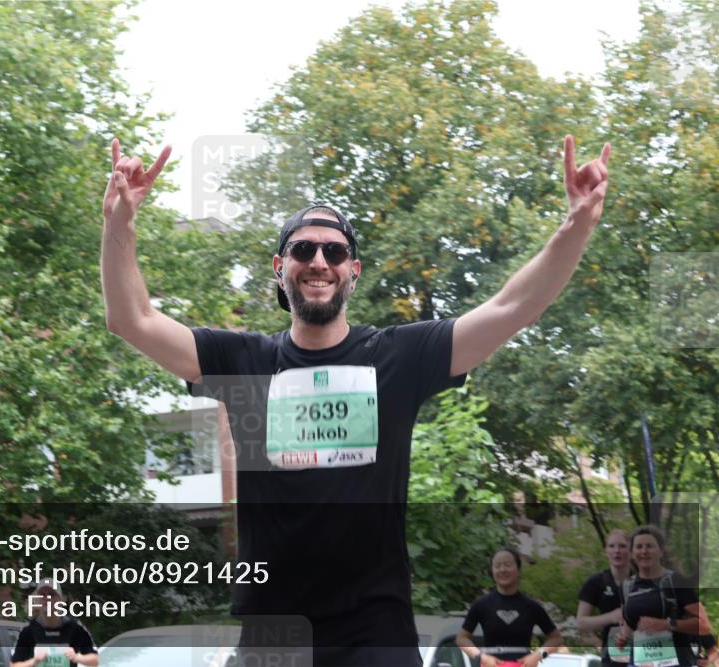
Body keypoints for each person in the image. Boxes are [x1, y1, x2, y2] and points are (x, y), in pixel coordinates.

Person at [100, 134, 610, 667]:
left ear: (353, 270)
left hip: (375, 632)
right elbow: (131, 320)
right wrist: (119, 222)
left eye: (335, 251)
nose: (319, 260)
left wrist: (577, 223)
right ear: (280, 266)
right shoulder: (241, 361)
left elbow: (512, 308)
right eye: (303, 249)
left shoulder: (398, 357)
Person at [614, 525, 713, 667]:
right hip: (640, 662)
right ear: (632, 553)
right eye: (639, 546)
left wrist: (666, 624)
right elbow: (630, 624)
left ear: (661, 551)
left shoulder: (675, 581)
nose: (644, 551)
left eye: (650, 546)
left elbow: (704, 626)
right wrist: (622, 637)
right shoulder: (626, 586)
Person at [456, 546, 563, 667]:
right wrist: (482, 657)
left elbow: (556, 638)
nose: (502, 570)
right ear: (492, 571)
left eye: (507, 565)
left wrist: (537, 655)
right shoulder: (481, 605)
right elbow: (462, 638)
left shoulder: (532, 606)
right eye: (497, 566)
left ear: (518, 570)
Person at [11, 579, 99, 667]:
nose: (47, 598)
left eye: (51, 594)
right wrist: (34, 661)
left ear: (60, 600)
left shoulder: (75, 627)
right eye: (42, 595)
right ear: (37, 600)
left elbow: (95, 660)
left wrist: (76, 657)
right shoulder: (27, 630)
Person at [577, 528, 631, 663]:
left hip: (643, 651)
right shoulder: (596, 582)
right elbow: (581, 622)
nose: (617, 550)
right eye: (612, 546)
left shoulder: (643, 581)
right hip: (613, 654)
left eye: (622, 546)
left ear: (631, 550)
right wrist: (611, 617)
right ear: (606, 551)